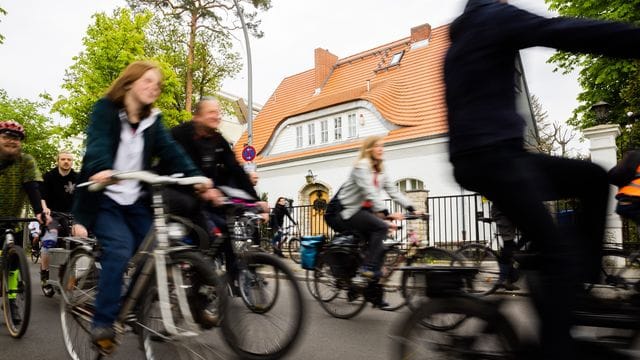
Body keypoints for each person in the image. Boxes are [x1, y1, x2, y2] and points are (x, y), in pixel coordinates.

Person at [445, 1, 640, 358]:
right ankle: (556, 344)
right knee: (560, 254)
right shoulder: (492, 17)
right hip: (495, 158)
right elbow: (562, 30)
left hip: (488, 158)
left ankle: (575, 285)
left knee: (592, 178)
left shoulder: (457, 42)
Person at [71, 60, 209, 353]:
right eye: (148, 81)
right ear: (130, 82)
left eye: (157, 85)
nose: (154, 88)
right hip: (105, 197)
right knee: (120, 249)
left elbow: (172, 152)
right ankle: (104, 323)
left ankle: (129, 305)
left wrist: (195, 176)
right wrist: (101, 168)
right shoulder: (105, 110)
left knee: (158, 247)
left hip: (135, 200)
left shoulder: (153, 122)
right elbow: (96, 144)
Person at [165, 97, 267, 295]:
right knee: (201, 238)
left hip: (204, 199)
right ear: (198, 116)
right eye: (211, 112)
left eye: (218, 112)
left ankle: (223, 283)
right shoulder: (180, 134)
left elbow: (236, 169)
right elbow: (179, 163)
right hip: (177, 196)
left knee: (222, 234)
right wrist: (201, 186)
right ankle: (189, 281)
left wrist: (255, 200)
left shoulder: (218, 141)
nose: (217, 116)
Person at [338, 136, 416, 307]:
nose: (382, 149)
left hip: (368, 211)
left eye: (383, 146)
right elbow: (370, 191)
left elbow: (393, 191)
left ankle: (373, 295)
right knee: (381, 227)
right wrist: (387, 214)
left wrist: (411, 207)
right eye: (378, 146)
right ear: (369, 149)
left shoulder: (380, 169)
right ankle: (365, 270)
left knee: (380, 249)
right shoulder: (361, 166)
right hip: (353, 210)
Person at [0, 120, 50, 324]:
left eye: (16, 138)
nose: (12, 141)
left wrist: (40, 212)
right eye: (6, 137)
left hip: (14, 220)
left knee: (13, 265)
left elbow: (32, 187)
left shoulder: (26, 161)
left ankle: (11, 300)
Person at [39, 150, 78, 287]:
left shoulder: (76, 177)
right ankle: (45, 272)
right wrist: (45, 209)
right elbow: (42, 197)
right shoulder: (49, 176)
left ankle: (72, 276)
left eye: (69, 159)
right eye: (63, 159)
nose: (66, 161)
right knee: (49, 240)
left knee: (79, 240)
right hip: (53, 215)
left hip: (71, 216)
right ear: (58, 161)